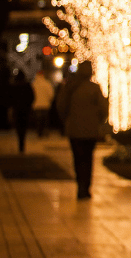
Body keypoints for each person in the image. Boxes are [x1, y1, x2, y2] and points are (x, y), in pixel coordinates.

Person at [56, 61, 108, 200]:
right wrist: (97, 121)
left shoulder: (71, 87)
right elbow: (104, 109)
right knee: (88, 159)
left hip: (74, 130)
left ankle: (80, 186)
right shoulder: (94, 89)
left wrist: (67, 121)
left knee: (78, 159)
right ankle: (86, 187)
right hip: (90, 131)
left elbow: (61, 106)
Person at [7, 71, 35, 154]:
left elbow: (10, 98)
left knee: (19, 126)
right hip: (25, 110)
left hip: (17, 109)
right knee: (23, 127)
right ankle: (22, 143)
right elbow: (32, 97)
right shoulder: (27, 86)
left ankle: (21, 143)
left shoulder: (14, 86)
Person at [31, 69, 55, 137]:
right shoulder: (47, 83)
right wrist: (49, 101)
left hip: (36, 105)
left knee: (38, 120)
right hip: (45, 105)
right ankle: (45, 132)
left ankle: (39, 133)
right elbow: (51, 94)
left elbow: (30, 95)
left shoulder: (34, 84)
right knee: (45, 120)